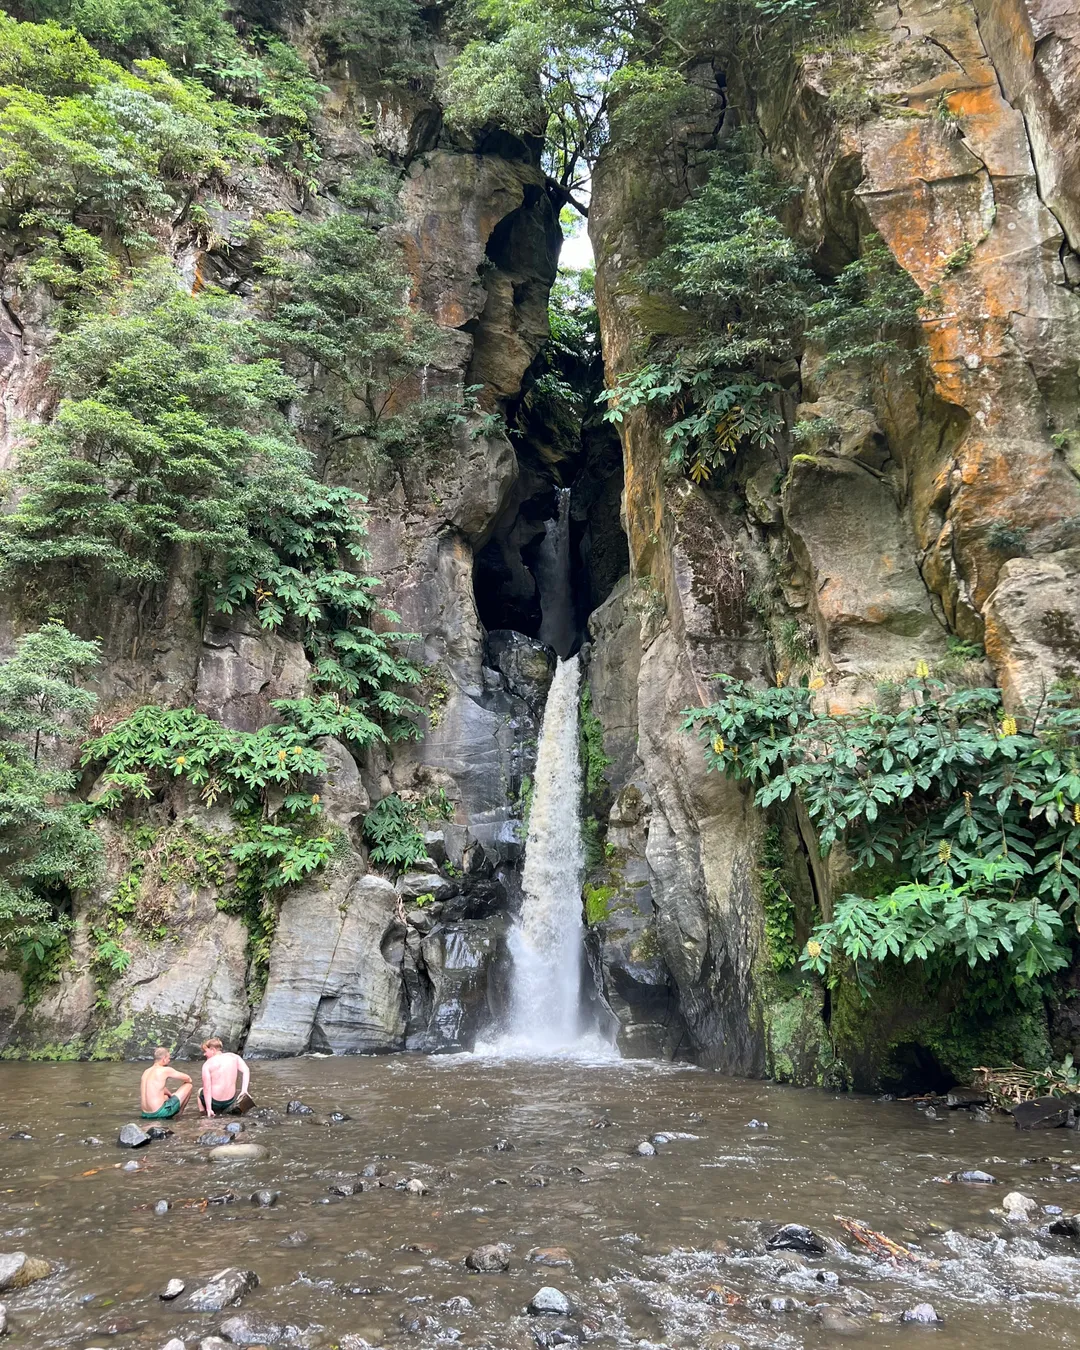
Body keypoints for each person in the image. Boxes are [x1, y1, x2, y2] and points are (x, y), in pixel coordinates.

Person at [198, 1037, 250, 1117]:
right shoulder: (234, 1057)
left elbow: (207, 1088)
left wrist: (209, 1108)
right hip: (230, 1101)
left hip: (215, 1102)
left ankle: (204, 1114)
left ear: (212, 1050)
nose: (204, 1054)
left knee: (199, 1091)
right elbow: (246, 1070)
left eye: (205, 1051)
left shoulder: (207, 1064)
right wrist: (244, 1090)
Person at [140, 1047, 193, 1120]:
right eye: (168, 1058)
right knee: (188, 1086)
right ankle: (179, 1115)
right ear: (164, 1058)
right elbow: (188, 1078)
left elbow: (157, 1088)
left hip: (145, 1114)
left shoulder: (146, 1072)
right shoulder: (165, 1070)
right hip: (159, 1113)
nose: (169, 1060)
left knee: (166, 1097)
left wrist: (170, 1096)